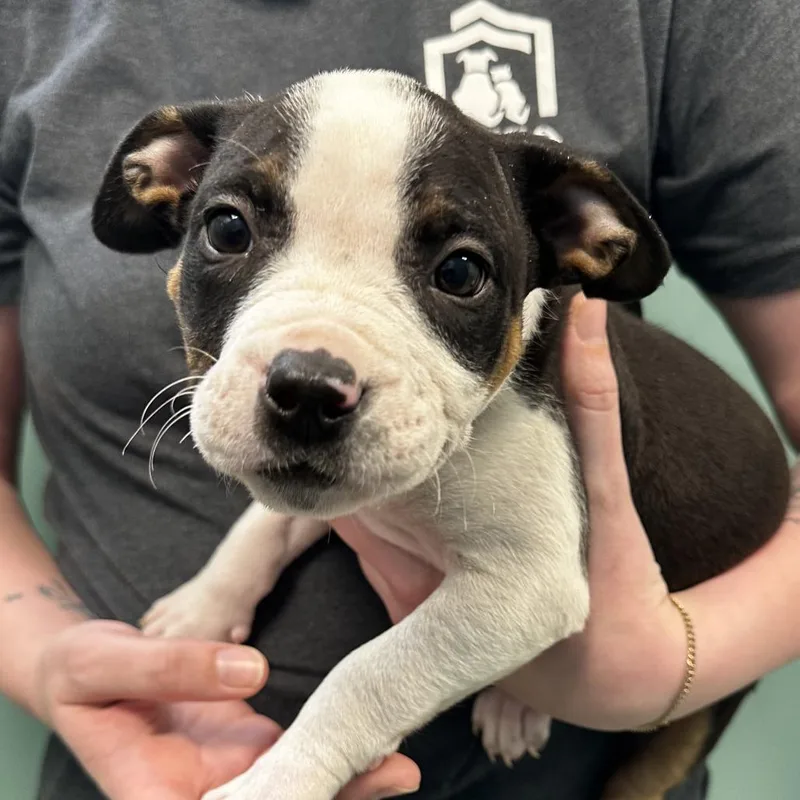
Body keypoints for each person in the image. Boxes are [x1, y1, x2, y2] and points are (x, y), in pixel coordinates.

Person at [1, 1, 798, 798]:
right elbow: (329, 492)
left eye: (457, 273)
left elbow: (537, 590)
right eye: (233, 233)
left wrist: (684, 657)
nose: (317, 369)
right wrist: (212, 590)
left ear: (569, 244)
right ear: (169, 179)